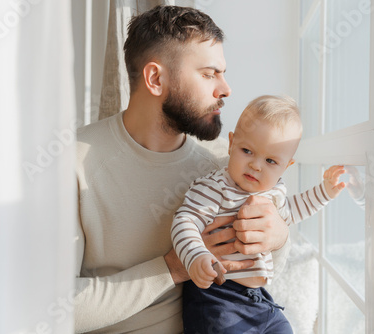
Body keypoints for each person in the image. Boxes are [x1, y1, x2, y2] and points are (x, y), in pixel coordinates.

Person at [75, 6, 292, 333]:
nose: (226, 89)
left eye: (223, 73)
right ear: (156, 78)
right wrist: (173, 268)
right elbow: (53, 308)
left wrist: (279, 237)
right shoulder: (73, 163)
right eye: (209, 74)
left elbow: (261, 273)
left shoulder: (226, 163)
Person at [171, 95, 346, 333]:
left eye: (271, 160)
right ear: (231, 144)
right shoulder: (216, 188)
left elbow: (293, 211)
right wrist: (195, 255)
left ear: (286, 166)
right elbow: (185, 221)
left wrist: (325, 191)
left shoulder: (273, 194)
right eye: (247, 151)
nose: (256, 165)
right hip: (218, 296)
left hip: (259, 298)